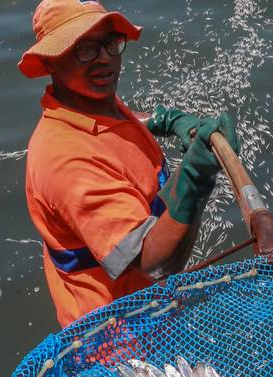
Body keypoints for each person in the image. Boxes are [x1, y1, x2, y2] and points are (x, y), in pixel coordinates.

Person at [18, 0, 239, 327]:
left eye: (110, 43)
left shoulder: (88, 102)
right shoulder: (66, 161)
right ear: (51, 61)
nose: (105, 57)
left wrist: (164, 120)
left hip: (154, 306)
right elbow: (152, 261)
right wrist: (195, 180)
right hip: (121, 340)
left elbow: (113, 126)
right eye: (84, 49)